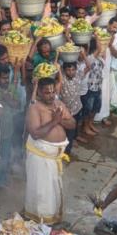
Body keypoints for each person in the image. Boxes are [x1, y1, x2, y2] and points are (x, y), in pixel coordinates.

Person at [25, 77, 75, 224]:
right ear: (39, 92)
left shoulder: (58, 104)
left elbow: (72, 124)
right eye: (47, 92)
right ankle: (41, 219)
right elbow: (35, 133)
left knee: (53, 189)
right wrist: (54, 121)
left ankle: (52, 216)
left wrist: (59, 120)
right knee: (43, 191)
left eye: (53, 92)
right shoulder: (34, 108)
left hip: (54, 157)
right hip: (41, 157)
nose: (51, 95)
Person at [0, 63, 21, 185]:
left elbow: (18, 105)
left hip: (7, 129)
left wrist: (9, 99)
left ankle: (0, 181)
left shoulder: (11, 87)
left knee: (5, 156)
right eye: (3, 78)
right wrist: (7, 99)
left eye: (8, 77)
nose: (6, 80)